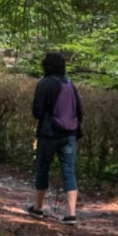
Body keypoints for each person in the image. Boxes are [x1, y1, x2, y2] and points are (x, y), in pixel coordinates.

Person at [27, 49, 83, 223]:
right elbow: (79, 110)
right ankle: (72, 213)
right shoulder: (69, 83)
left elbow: (37, 111)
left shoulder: (44, 83)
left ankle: (38, 208)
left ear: (46, 66)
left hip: (48, 133)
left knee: (43, 169)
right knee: (69, 172)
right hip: (70, 134)